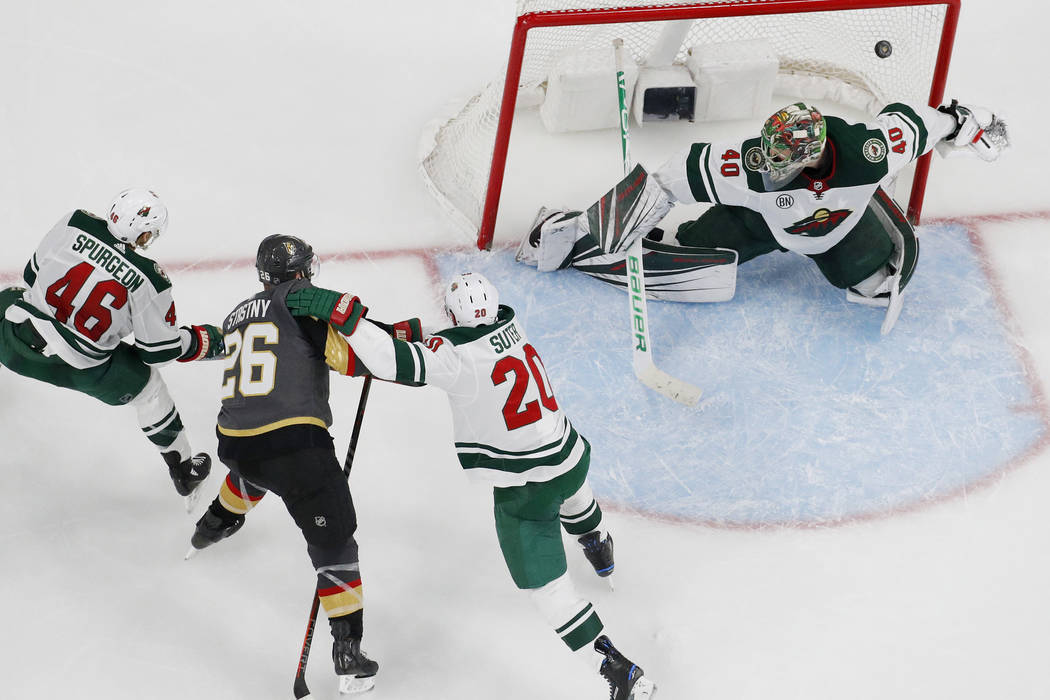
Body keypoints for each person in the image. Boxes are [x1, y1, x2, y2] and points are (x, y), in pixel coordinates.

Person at [283, 271, 656, 700]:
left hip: (526, 487)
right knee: (569, 486)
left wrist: (347, 318)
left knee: (547, 589)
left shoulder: (455, 355)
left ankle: (615, 666)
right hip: (569, 450)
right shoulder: (511, 325)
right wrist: (394, 330)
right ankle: (597, 542)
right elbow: (456, 336)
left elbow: (392, 362)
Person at [517, 99, 1010, 332]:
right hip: (758, 223)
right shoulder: (747, 165)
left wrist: (972, 124)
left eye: (784, 164)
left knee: (877, 287)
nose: (769, 168)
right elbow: (664, 182)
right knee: (687, 250)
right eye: (767, 157)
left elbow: (929, 124)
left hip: (840, 228)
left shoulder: (870, 153)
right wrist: (587, 229)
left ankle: (870, 224)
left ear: (815, 156)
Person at [186, 234, 420, 694]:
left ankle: (210, 526)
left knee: (257, 471)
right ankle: (347, 652)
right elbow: (348, 358)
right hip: (294, 445)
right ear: (303, 272)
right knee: (335, 543)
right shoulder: (302, 304)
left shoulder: (238, 314)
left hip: (233, 441)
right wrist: (398, 342)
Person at [0, 188, 221, 506]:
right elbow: (158, 352)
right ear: (145, 233)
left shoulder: (75, 222)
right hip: (84, 368)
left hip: (16, 343)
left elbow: (31, 274)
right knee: (150, 391)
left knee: (11, 295)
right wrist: (205, 342)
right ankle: (184, 471)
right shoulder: (149, 279)